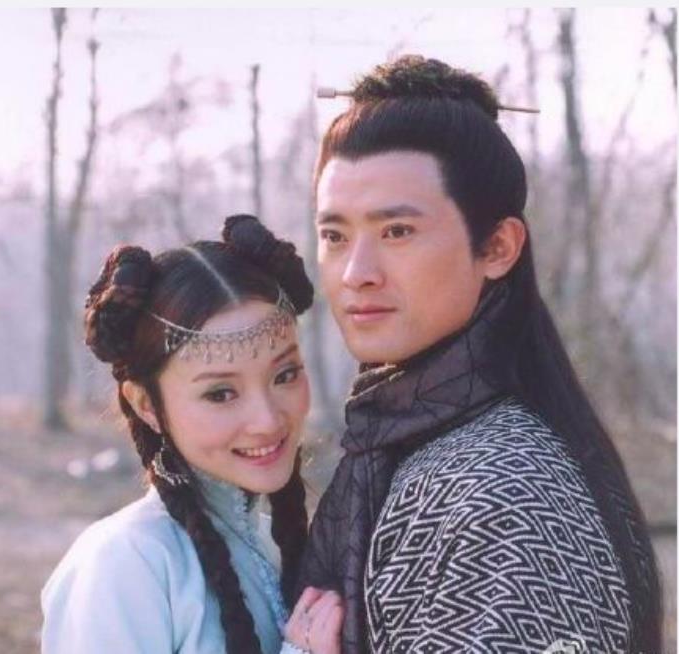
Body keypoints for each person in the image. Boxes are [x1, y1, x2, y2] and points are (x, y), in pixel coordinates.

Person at [297, 56, 662, 654]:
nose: (356, 272)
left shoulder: (499, 492)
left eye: (396, 232)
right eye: (335, 236)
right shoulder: (417, 444)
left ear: (496, 247)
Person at [41, 215, 343, 654]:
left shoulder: (276, 547)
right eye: (220, 393)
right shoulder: (125, 564)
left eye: (285, 375)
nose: (267, 420)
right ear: (147, 405)